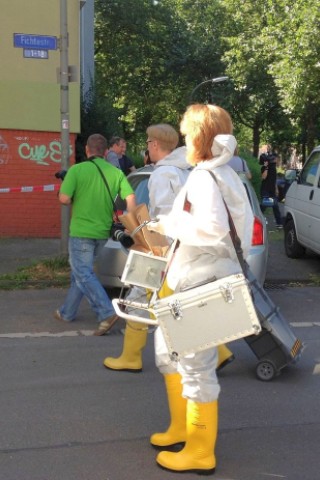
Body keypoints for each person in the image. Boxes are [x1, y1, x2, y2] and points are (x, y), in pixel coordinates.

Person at [147, 104, 254, 474]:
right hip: (199, 276)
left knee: (195, 367)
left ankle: (199, 448)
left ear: (201, 136)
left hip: (198, 279)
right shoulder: (221, 172)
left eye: (190, 133)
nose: (187, 139)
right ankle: (183, 430)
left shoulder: (206, 177)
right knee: (178, 358)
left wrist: (169, 225)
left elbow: (210, 227)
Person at [103, 124, 190, 372]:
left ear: (154, 144)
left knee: (137, 299)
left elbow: (163, 216)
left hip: (161, 248)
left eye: (148, 143)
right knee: (177, 302)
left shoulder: (162, 174)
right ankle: (218, 354)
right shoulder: (183, 171)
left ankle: (131, 357)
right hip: (178, 249)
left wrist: (138, 230)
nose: (147, 148)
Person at [54, 134, 136, 336]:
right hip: (102, 233)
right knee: (80, 273)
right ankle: (67, 312)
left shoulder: (77, 170)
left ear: (88, 151)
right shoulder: (116, 172)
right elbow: (130, 198)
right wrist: (131, 221)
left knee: (82, 272)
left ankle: (107, 312)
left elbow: (64, 199)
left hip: (81, 231)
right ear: (106, 151)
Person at [259, 145, 283, 228]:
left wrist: (276, 188)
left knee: (275, 206)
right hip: (265, 189)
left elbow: (274, 179)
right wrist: (266, 167)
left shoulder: (274, 168)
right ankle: (256, 219)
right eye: (275, 159)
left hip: (272, 189)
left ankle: (279, 223)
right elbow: (263, 177)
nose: (276, 161)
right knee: (264, 205)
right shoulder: (264, 168)